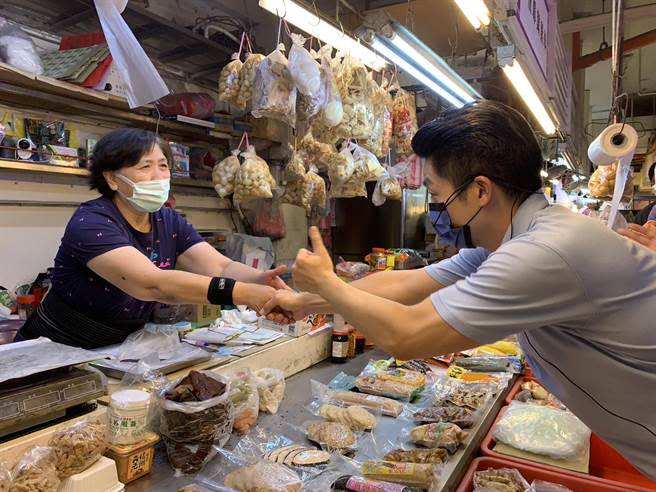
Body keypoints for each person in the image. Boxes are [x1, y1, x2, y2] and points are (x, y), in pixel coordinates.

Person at [264, 101, 656, 479]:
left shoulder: (545, 251)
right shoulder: (514, 240)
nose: (438, 211)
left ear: (480, 191)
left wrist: (330, 284)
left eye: (437, 196)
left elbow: (408, 333)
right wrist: (305, 300)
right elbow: (405, 284)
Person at [16, 128, 286, 349]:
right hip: (57, 347)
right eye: (145, 167)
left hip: (118, 348)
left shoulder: (167, 220)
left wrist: (258, 280)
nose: (159, 177)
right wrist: (246, 293)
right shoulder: (92, 222)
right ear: (111, 178)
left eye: (164, 166)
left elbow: (220, 267)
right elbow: (152, 285)